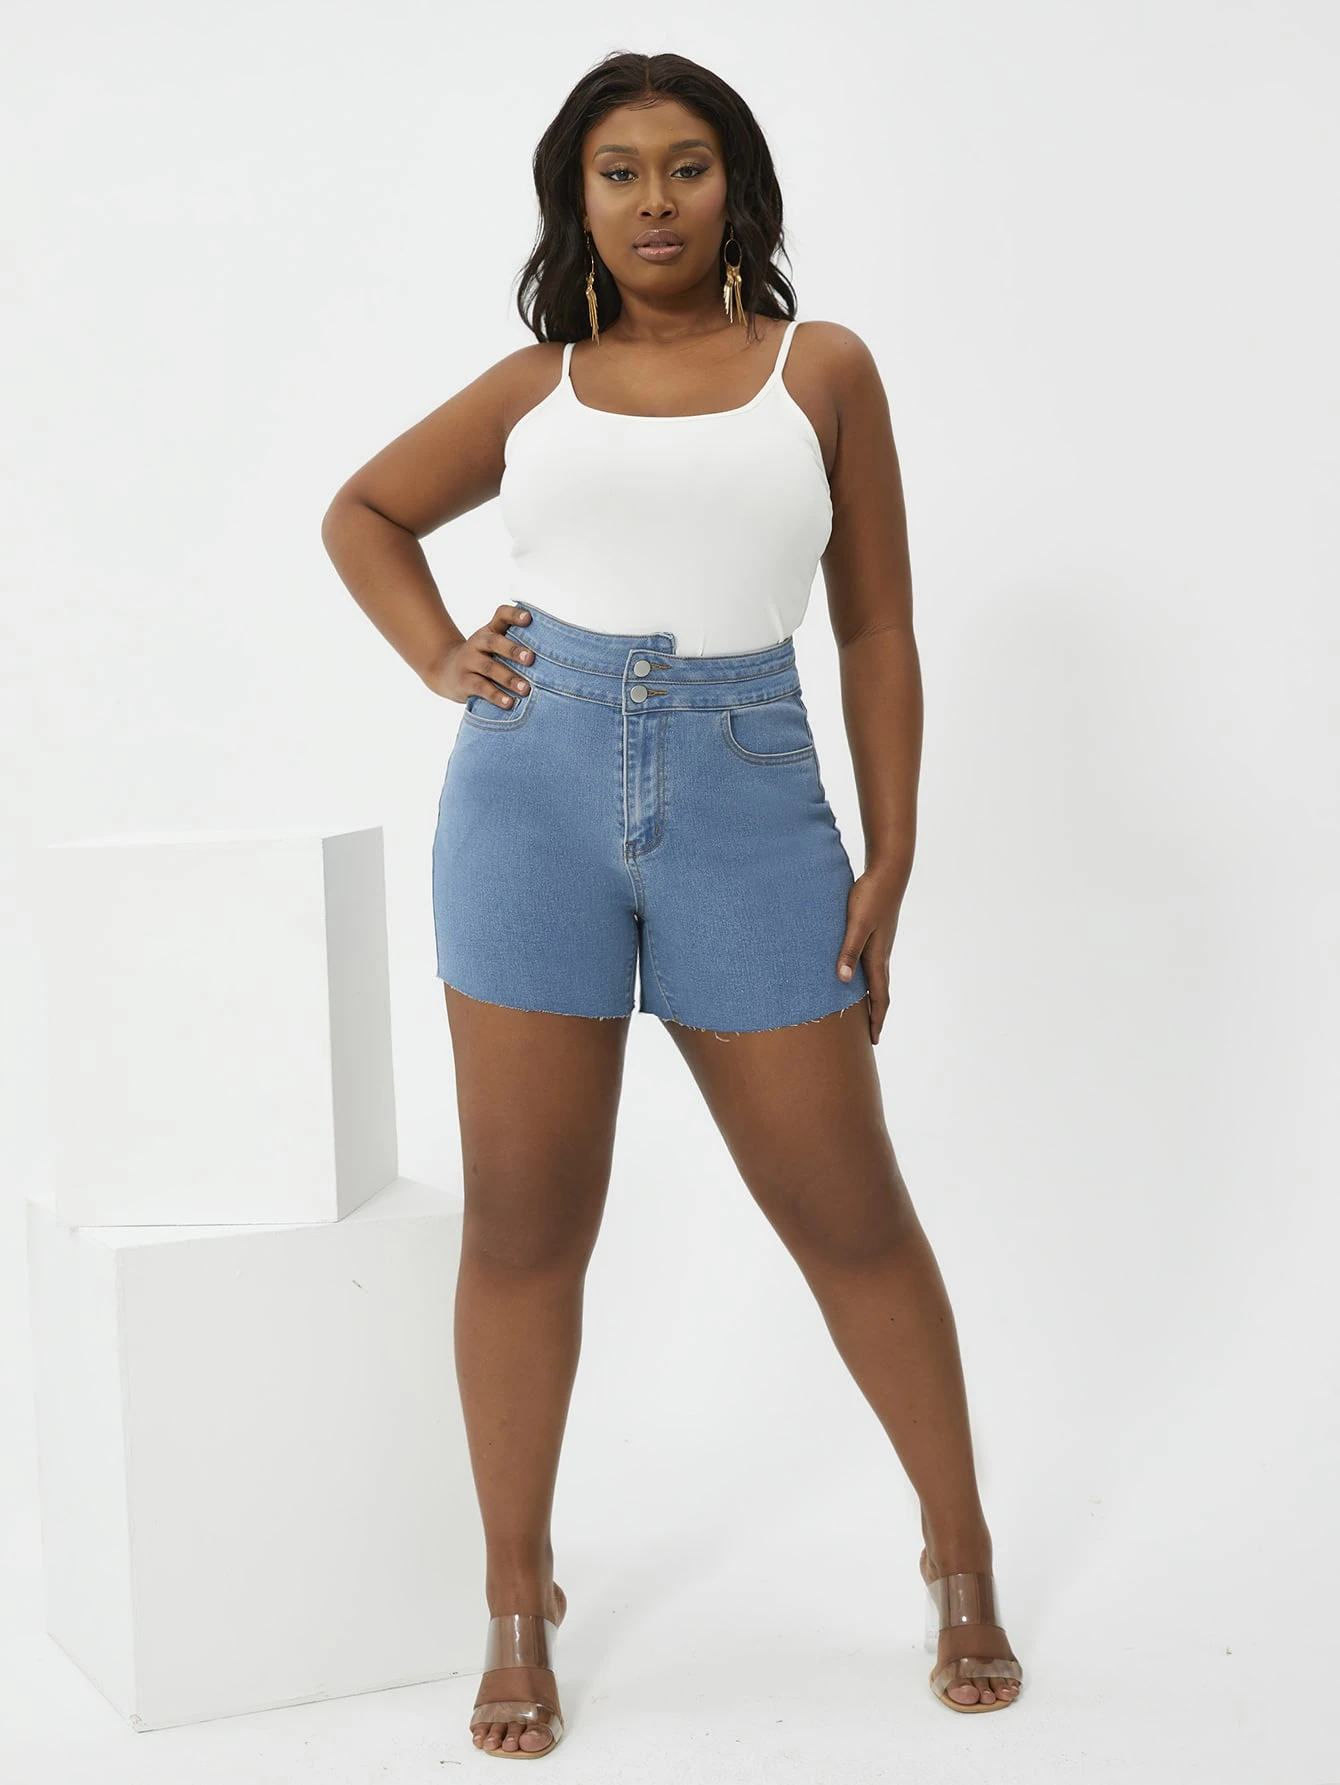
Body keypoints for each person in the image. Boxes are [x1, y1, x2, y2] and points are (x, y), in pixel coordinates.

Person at [321, 48, 1023, 1761]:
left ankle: (960, 1552)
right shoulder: (537, 387)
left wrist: (893, 850)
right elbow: (365, 512)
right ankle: (516, 1595)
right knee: (524, 1225)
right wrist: (440, 655)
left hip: (749, 799)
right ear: (578, 198)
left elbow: (875, 624)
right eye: (619, 170)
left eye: (687, 166)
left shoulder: (820, 370)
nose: (655, 200)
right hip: (529, 796)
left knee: (848, 1210)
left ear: (737, 188)